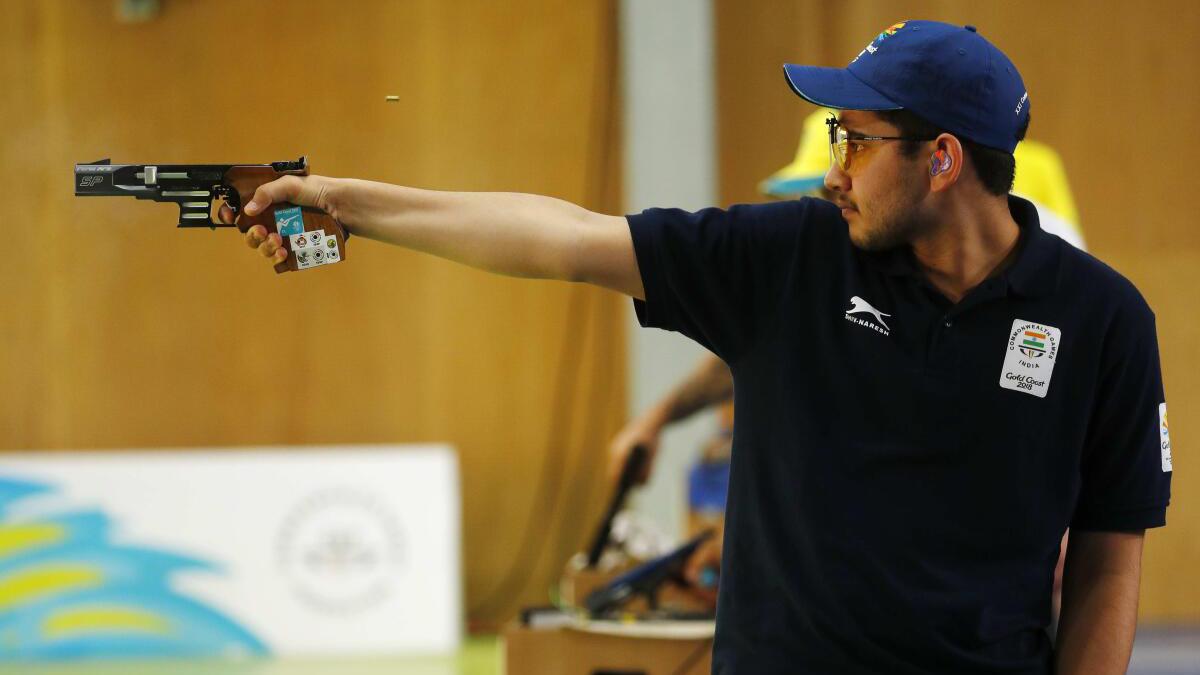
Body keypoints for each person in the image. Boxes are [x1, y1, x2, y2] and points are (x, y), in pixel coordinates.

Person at [223, 20, 1170, 674]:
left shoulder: (1105, 321)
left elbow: (1106, 558)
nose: (832, 170)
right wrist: (351, 203)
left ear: (944, 159)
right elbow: (563, 237)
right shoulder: (788, 258)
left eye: (855, 140)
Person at [612, 107, 1092, 621]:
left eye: (835, 182)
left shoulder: (1003, 255)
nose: (828, 196)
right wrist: (658, 416)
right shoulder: (875, 242)